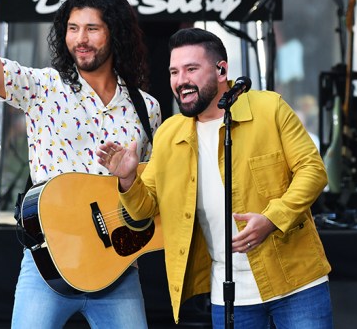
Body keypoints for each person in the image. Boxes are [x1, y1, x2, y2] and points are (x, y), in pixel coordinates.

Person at [0, 0, 162, 328]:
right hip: (48, 267)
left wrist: (128, 178)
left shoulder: (146, 107)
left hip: (117, 268)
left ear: (115, 34)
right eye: (73, 29)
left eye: (92, 28)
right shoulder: (45, 86)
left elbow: (150, 191)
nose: (81, 39)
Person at [97, 28, 333, 328]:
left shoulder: (269, 108)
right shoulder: (170, 134)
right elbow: (144, 211)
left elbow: (313, 170)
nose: (181, 80)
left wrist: (273, 218)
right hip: (229, 294)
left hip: (298, 283)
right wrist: (128, 179)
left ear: (222, 70)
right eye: (173, 72)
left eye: (191, 69)